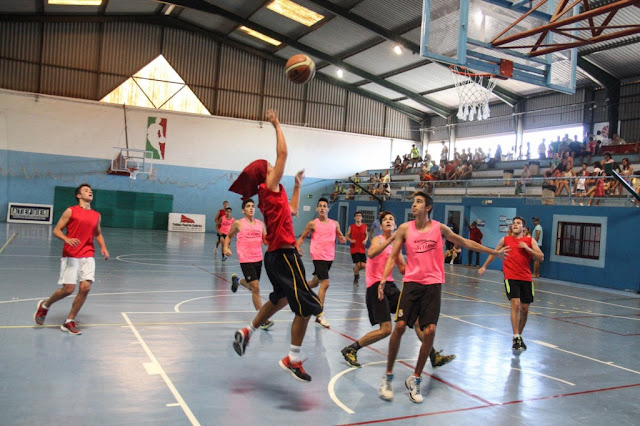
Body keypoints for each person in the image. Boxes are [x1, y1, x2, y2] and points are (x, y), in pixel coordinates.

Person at [377, 192, 508, 403]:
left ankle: (415, 378)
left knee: (429, 331)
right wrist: (384, 279)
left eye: (419, 202)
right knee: (400, 326)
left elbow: (465, 242)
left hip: (433, 285)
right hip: (411, 284)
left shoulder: (439, 229)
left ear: (428, 207)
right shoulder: (405, 229)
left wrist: (492, 251)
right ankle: (388, 376)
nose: (414, 205)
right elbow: (393, 257)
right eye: (414, 202)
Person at [230, 109, 319, 383]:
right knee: (307, 306)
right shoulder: (268, 186)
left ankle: (248, 330)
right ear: (264, 174)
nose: (273, 166)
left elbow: (292, 210)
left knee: (280, 299)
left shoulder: (272, 193)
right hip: (284, 254)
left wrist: (297, 185)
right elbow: (283, 154)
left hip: (275, 256)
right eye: (269, 165)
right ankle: (293, 358)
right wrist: (277, 123)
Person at [340, 211, 455, 370]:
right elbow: (371, 253)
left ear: (395, 225)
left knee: (417, 320)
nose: (388, 221)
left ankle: (433, 356)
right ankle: (351, 349)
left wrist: (423, 265)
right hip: (376, 287)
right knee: (386, 329)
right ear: (381, 226)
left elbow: (402, 269)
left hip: (391, 287)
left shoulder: (397, 246)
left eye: (391, 219)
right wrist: (390, 240)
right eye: (385, 220)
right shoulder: (377, 239)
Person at [33, 183, 109, 335]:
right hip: (71, 254)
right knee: (68, 289)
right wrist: (66, 239)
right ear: (79, 195)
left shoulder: (96, 215)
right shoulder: (71, 211)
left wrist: (103, 247)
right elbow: (57, 230)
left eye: (91, 191)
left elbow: (98, 233)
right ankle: (45, 305)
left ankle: (69, 321)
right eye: (86, 190)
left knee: (85, 288)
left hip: (88, 254)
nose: (90, 192)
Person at [479, 217, 543, 352]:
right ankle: (515, 336)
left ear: (523, 228)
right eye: (513, 223)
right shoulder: (505, 240)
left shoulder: (530, 241)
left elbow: (540, 257)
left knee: (525, 308)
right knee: (515, 303)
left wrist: (528, 249)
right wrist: (484, 266)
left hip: (526, 277)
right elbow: (494, 253)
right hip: (511, 276)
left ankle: (519, 336)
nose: (515, 225)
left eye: (518, 223)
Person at [296, 197, 347, 328]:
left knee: (315, 282)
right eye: (320, 206)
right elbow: (302, 237)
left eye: (325, 206)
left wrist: (342, 239)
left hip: (329, 256)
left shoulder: (334, 223)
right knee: (325, 283)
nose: (322, 208)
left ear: (328, 209)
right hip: (318, 256)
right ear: (317, 209)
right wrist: (297, 247)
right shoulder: (312, 224)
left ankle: (298, 289)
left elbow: (340, 236)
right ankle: (320, 315)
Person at [223, 198, 273, 330]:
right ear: (243, 210)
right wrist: (226, 247)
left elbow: (266, 241)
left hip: (258, 258)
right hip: (245, 259)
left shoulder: (260, 224)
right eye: (248, 206)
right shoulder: (238, 223)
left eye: (252, 206)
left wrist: (273, 236)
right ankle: (262, 320)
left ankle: (237, 280)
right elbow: (228, 236)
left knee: (252, 287)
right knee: (256, 287)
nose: (251, 208)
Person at [346, 211, 368, 285]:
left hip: (362, 248)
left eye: (359, 216)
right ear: (354, 218)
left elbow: (366, 235)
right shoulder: (351, 227)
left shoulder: (364, 226)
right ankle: (356, 277)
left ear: (362, 218)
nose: (358, 217)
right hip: (354, 248)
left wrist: (365, 240)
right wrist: (350, 240)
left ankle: (355, 269)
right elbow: (347, 235)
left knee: (364, 265)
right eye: (357, 216)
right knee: (358, 264)